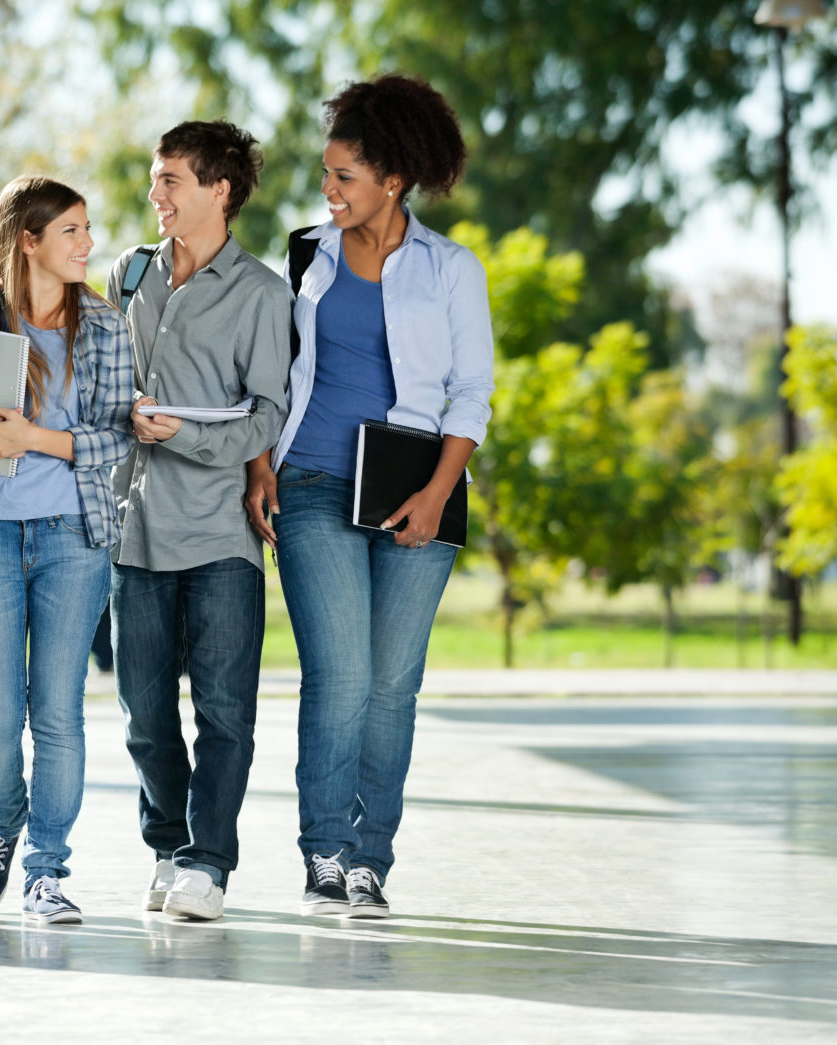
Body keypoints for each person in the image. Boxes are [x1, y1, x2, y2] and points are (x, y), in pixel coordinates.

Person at [244, 74, 494, 919]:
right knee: (341, 673)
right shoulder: (305, 252)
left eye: (344, 176)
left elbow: (472, 394)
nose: (329, 189)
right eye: (327, 174)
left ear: (393, 180)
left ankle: (368, 857)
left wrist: (434, 493)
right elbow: (275, 372)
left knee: (394, 683)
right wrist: (259, 461)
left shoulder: (453, 269)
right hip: (311, 480)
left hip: (415, 491)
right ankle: (323, 847)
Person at [108, 121, 292, 921]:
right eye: (155, 180)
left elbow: (266, 419)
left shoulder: (261, 293)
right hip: (133, 526)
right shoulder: (129, 274)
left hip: (220, 535)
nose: (156, 196)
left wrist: (185, 433)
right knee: (145, 716)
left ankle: (208, 863)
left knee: (223, 713)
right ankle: (166, 844)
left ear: (220, 190)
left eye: (171, 180)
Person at [0, 176, 134, 924]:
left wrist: (35, 439)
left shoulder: (108, 328)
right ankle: (2, 824)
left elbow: (119, 437)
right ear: (29, 239)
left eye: (88, 229)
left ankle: (46, 869)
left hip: (73, 539)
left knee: (57, 713)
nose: (88, 243)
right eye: (73, 231)